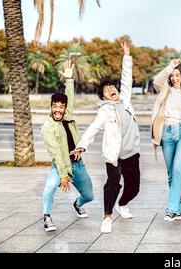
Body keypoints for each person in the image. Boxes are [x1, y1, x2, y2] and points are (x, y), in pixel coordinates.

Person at [71, 42, 141, 233]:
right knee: (113, 183)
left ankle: (123, 204)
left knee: (134, 188)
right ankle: (107, 217)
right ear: (103, 97)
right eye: (106, 90)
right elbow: (93, 129)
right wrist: (81, 146)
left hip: (132, 153)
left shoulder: (125, 100)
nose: (111, 89)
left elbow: (127, 80)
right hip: (114, 155)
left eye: (112, 87)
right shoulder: (105, 110)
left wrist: (126, 57)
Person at [40, 60, 94, 232]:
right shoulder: (48, 127)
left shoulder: (67, 117)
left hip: (78, 165)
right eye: (54, 107)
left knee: (89, 196)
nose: (58, 110)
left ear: (64, 109)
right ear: (51, 107)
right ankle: (47, 217)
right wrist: (64, 175)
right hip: (61, 165)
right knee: (49, 188)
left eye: (61, 107)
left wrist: (69, 80)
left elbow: (70, 100)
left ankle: (77, 204)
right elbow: (57, 152)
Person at [151, 59, 181, 221]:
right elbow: (156, 80)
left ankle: (170, 209)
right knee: (171, 173)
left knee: (178, 168)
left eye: (177, 75)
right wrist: (170, 66)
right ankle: (178, 208)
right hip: (167, 133)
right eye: (172, 76)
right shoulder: (165, 90)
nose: (174, 78)